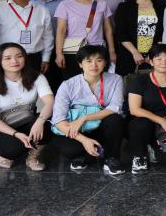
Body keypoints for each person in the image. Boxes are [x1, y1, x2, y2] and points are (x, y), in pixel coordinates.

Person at [51, 45, 126, 175]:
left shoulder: (115, 79)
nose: (94, 65)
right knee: (70, 150)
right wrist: (83, 140)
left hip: (100, 126)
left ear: (105, 62)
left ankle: (111, 159)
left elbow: (116, 107)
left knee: (115, 120)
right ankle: (84, 155)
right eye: (88, 61)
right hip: (77, 130)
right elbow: (58, 120)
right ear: (80, 64)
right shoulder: (68, 85)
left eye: (99, 60)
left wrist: (84, 118)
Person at [0, 43, 54, 170]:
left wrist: (39, 122)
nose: (14, 61)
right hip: (0, 128)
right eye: (7, 58)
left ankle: (32, 157)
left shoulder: (37, 77)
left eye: (19, 56)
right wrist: (16, 134)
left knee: (52, 122)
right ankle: (3, 155)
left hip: (26, 121)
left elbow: (50, 102)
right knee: (15, 147)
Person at [127, 43, 166, 173]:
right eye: (158, 59)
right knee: (139, 124)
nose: (163, 63)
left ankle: (153, 147)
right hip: (146, 122)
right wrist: (161, 120)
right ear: (151, 61)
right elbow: (134, 109)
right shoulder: (139, 81)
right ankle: (139, 156)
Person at [54, 0, 115, 79]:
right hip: (73, 50)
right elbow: (61, 30)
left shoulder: (101, 4)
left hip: (97, 50)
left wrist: (112, 51)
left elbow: (108, 29)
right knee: (73, 81)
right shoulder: (65, 5)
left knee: (97, 82)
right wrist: (59, 53)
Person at [0, 0, 53, 73]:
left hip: (32, 59)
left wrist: (46, 58)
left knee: (31, 83)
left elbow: (47, 36)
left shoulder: (42, 10)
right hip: (3, 58)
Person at [113, 0, 165, 76]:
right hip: (129, 54)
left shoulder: (161, 8)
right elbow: (121, 33)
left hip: (154, 57)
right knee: (127, 83)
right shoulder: (124, 7)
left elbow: (163, 33)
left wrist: (154, 53)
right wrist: (135, 52)